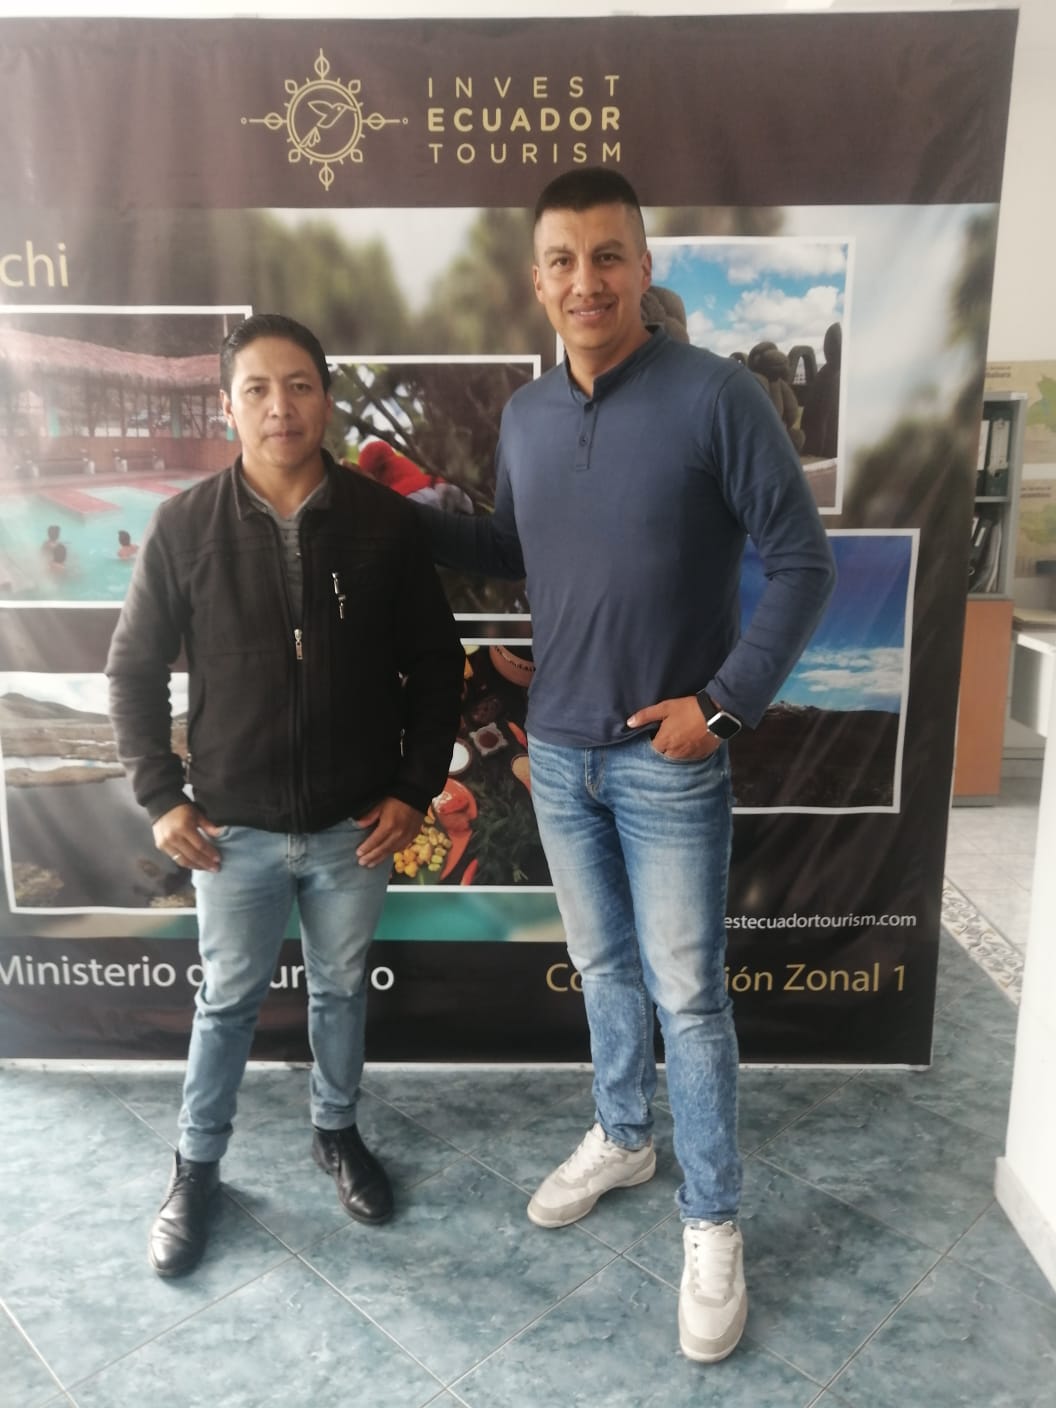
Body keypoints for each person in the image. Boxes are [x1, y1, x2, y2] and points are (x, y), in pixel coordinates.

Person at [417, 168, 836, 1364]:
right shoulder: (525, 416)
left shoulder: (717, 396)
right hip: (557, 750)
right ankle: (622, 1133)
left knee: (688, 999)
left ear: (644, 269)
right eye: (563, 259)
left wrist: (725, 703)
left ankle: (712, 1218)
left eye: (609, 256)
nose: (586, 280)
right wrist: (395, 509)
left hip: (667, 761)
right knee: (604, 969)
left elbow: (802, 561)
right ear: (537, 280)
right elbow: (516, 543)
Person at [106, 314, 464, 1278]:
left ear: (327, 399)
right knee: (226, 1002)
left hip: (355, 827)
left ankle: (336, 1132)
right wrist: (162, 798)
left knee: (341, 989)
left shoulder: (385, 523)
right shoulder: (184, 526)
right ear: (227, 406)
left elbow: (438, 665)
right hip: (233, 830)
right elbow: (132, 671)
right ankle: (196, 1168)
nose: (280, 406)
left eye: (299, 385)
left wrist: (415, 786)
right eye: (257, 389)